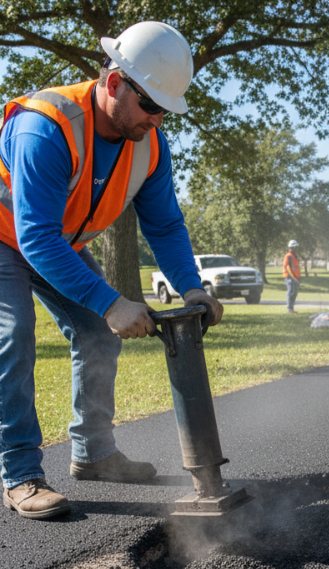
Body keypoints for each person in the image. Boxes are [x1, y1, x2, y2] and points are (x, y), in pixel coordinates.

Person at [0, 21, 223, 520]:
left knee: (98, 336)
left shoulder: (150, 145)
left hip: (55, 242)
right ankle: (20, 475)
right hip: (7, 236)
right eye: (150, 106)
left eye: (165, 111)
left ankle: (94, 453)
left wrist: (191, 288)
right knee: (14, 334)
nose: (156, 119)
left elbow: (164, 225)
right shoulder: (47, 125)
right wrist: (109, 301)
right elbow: (33, 236)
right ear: (115, 82)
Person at [282, 240, 300, 313]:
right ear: (292, 247)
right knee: (291, 293)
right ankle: (289, 309)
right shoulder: (288, 256)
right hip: (290, 277)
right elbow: (288, 267)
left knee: (294, 293)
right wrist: (294, 278)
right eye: (295, 247)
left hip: (295, 277)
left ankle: (291, 308)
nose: (296, 249)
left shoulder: (294, 256)